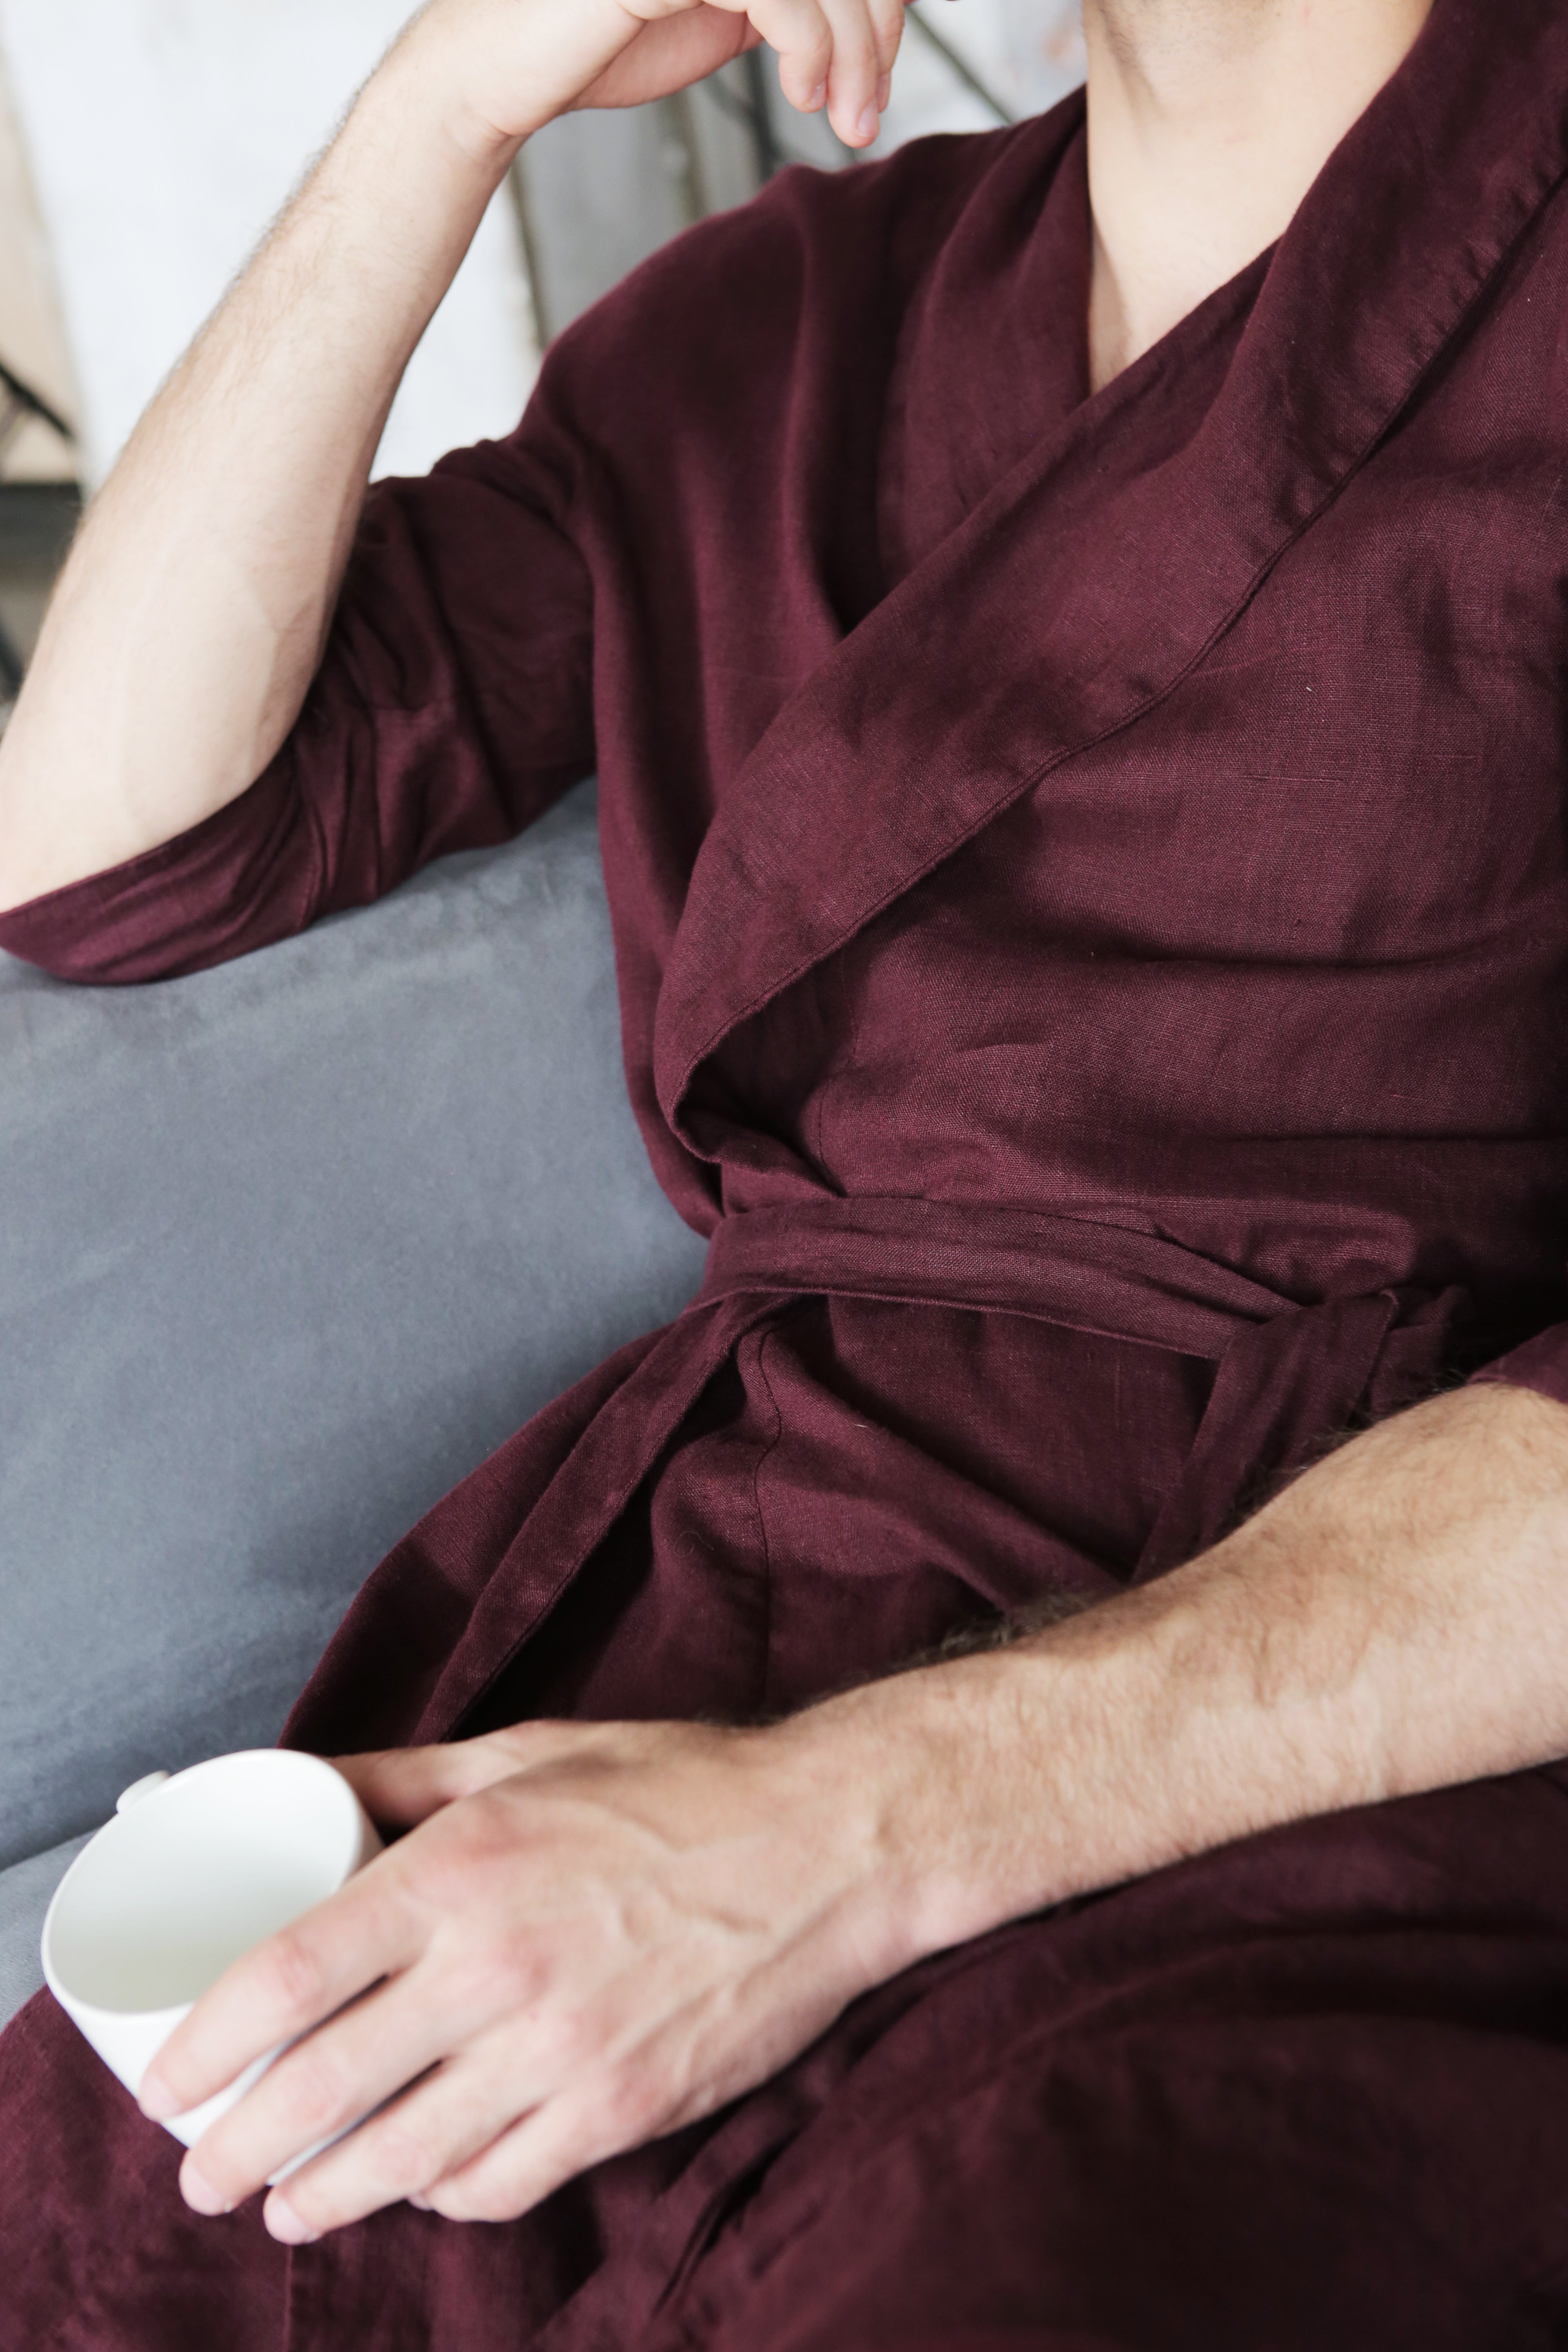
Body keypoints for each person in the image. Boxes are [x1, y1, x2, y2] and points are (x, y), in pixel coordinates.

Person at [4, 0, 1568, 2340]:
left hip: (1359, 1706)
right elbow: (109, 862)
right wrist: (437, 113)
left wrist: (840, 1842)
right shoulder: (801, 327)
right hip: (724, 1598)